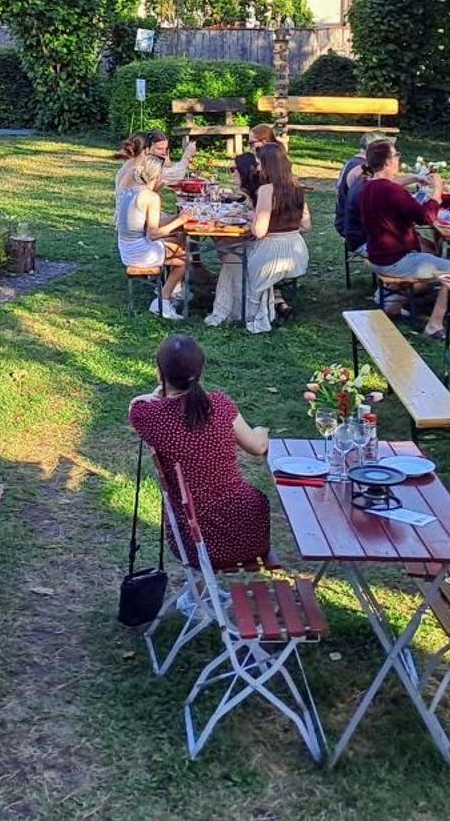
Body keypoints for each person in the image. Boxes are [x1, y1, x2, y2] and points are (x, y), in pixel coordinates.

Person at [129, 333, 271, 569]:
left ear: (160, 372)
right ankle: (209, 594)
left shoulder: (147, 416)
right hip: (250, 534)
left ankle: (205, 594)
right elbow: (258, 447)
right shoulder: (220, 405)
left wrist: (160, 390)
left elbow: (137, 403)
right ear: (200, 371)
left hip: (195, 542)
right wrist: (262, 429)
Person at [355, 140, 450, 335]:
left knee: (430, 254)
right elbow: (426, 217)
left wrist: (418, 180)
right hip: (395, 260)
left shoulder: (368, 186)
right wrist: (437, 191)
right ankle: (435, 324)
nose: (399, 159)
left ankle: (393, 303)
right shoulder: (392, 191)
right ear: (388, 162)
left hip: (376, 255)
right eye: (396, 155)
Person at [241, 142, 310, 334]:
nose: (258, 168)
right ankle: (277, 302)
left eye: (260, 164)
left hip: (271, 254)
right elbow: (306, 225)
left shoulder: (266, 190)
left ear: (268, 165)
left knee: (238, 254)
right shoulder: (297, 187)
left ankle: (250, 311)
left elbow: (259, 231)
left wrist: (253, 220)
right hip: (297, 252)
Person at [117, 154, 189, 319]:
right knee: (185, 259)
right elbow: (153, 233)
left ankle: (171, 293)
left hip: (126, 247)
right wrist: (180, 221)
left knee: (177, 240)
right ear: (158, 175)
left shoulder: (131, 191)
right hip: (139, 252)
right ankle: (163, 301)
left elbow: (143, 224)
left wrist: (175, 221)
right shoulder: (151, 197)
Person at [116, 129, 193, 192]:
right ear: (147, 148)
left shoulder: (135, 161)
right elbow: (177, 176)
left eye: (165, 149)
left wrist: (168, 164)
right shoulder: (146, 165)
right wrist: (187, 155)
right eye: (159, 149)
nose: (163, 153)